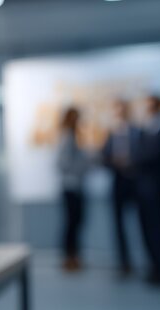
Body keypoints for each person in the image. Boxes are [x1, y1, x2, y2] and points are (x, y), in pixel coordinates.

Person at [134, 95, 160, 286]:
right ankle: (155, 267)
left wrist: (133, 159)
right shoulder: (144, 131)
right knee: (148, 230)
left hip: (158, 189)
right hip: (144, 189)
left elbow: (151, 157)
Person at [101, 99, 138, 276]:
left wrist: (131, 162)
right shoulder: (111, 133)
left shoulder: (137, 131)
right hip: (118, 182)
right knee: (118, 225)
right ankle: (124, 262)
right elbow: (104, 157)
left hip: (136, 182)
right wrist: (115, 161)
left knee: (143, 224)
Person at [56, 107, 90, 272]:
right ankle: (70, 257)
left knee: (76, 223)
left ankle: (73, 256)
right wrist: (82, 166)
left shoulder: (74, 136)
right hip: (71, 186)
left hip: (76, 186)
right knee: (72, 223)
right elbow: (62, 163)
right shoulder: (67, 137)